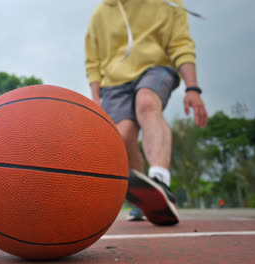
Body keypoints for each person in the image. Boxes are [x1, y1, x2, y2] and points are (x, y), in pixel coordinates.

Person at [85, 0, 208, 225]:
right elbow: (93, 61)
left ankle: (160, 179)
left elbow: (181, 45)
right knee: (122, 136)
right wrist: (96, 98)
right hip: (114, 82)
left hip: (157, 67)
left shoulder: (168, 3)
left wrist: (192, 88)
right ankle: (145, 199)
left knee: (146, 102)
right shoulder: (100, 14)